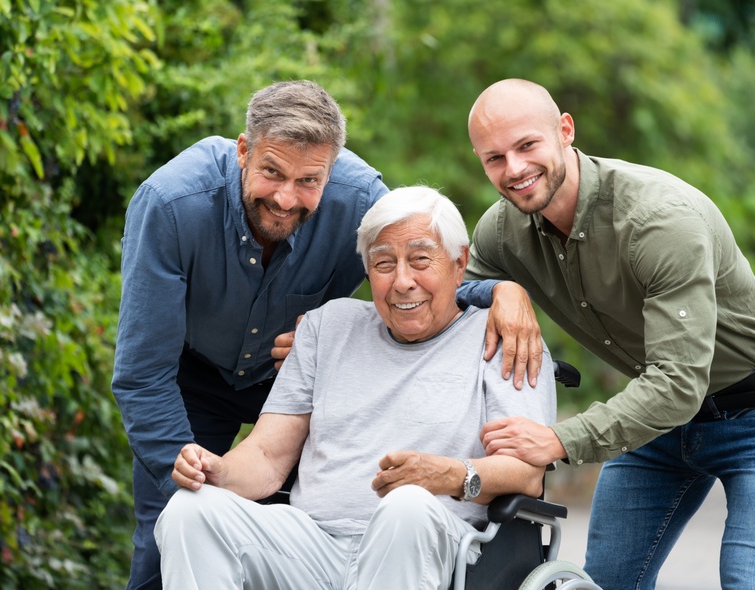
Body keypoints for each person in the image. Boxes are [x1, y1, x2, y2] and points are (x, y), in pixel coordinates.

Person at [111, 80, 538, 589]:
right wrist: (191, 469)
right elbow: (142, 373)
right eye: (271, 172)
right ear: (244, 151)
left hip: (288, 379)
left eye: (310, 180)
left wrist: (499, 292)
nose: (287, 197)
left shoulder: (360, 200)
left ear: (331, 170)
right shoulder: (172, 203)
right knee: (174, 521)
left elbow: (423, 266)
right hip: (194, 377)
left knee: (367, 510)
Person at [154, 186, 557, 589]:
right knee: (192, 510)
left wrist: (449, 474)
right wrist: (219, 470)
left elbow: (525, 473)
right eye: (383, 263)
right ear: (367, 271)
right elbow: (267, 455)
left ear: (459, 263)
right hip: (311, 545)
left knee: (408, 504)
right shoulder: (327, 326)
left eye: (420, 259)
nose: (402, 281)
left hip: (434, 548)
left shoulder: (505, 337)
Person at [465, 78, 755, 589]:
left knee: (744, 575)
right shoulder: (502, 233)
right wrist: (499, 291)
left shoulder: (660, 222)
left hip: (745, 411)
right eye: (494, 158)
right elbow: (447, 301)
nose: (513, 169)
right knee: (607, 580)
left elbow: (677, 385)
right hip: (659, 422)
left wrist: (558, 438)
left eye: (527, 145)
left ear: (565, 131)